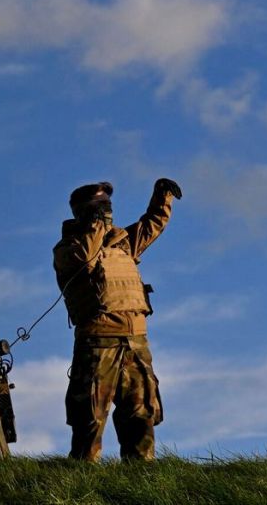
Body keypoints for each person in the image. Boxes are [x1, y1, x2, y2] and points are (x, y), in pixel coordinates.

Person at [53, 177, 182, 461]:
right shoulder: (67, 248)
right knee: (90, 418)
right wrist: (95, 226)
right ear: (84, 211)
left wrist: (162, 198)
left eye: (108, 205)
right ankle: (82, 476)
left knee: (141, 414)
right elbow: (86, 258)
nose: (106, 211)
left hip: (135, 343)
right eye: (99, 206)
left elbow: (151, 226)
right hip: (97, 344)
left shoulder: (123, 243)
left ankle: (142, 478)